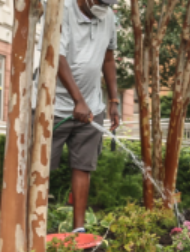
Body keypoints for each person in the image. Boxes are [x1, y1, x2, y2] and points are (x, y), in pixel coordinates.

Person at [51, 0, 121, 233]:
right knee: (40, 168)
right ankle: (33, 226)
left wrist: (113, 100)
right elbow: (57, 58)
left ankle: (78, 230)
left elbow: (108, 59)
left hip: (91, 107)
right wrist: (77, 100)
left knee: (83, 167)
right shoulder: (61, 10)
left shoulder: (108, 16)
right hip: (53, 107)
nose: (104, 7)